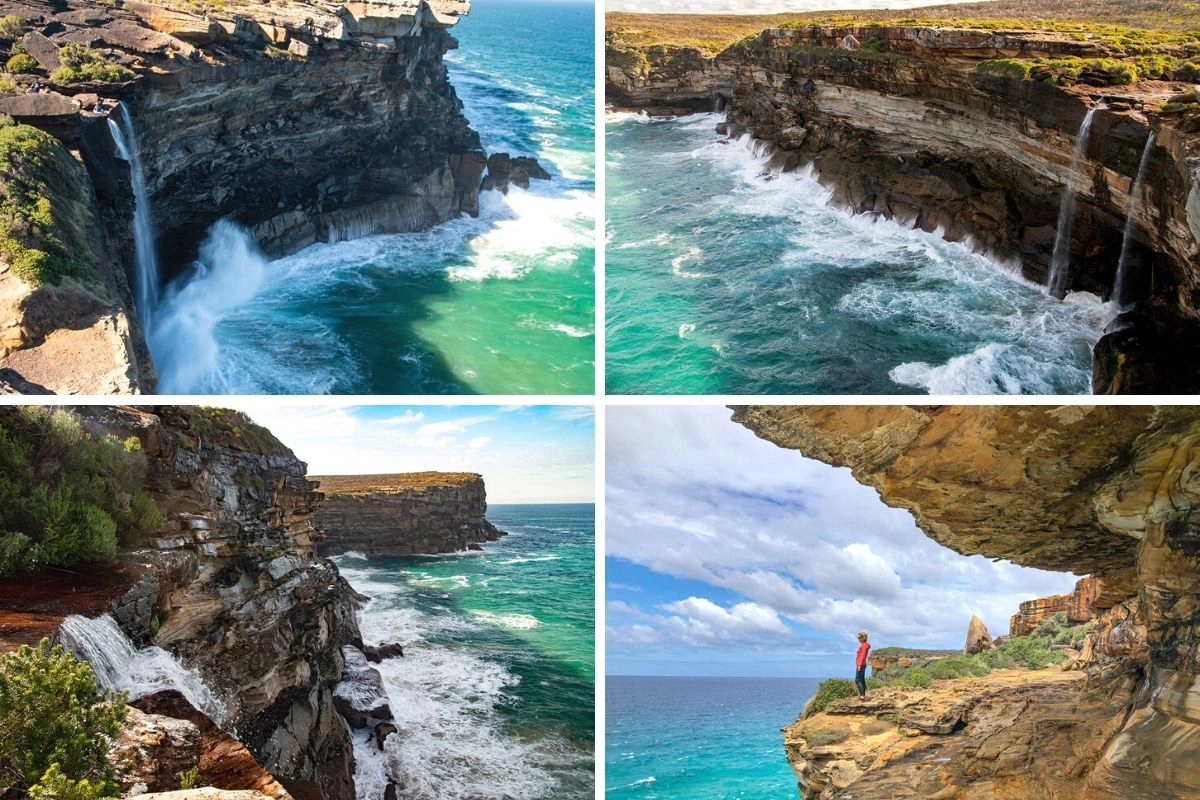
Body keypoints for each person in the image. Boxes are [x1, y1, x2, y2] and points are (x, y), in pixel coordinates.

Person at [855, 631, 870, 700]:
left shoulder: (864, 646)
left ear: (862, 638)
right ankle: (863, 694)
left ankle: (862, 695)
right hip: (862, 664)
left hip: (861, 664)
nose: (858, 639)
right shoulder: (865, 645)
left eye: (859, 638)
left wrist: (859, 665)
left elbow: (863, 656)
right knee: (862, 680)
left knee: (857, 680)